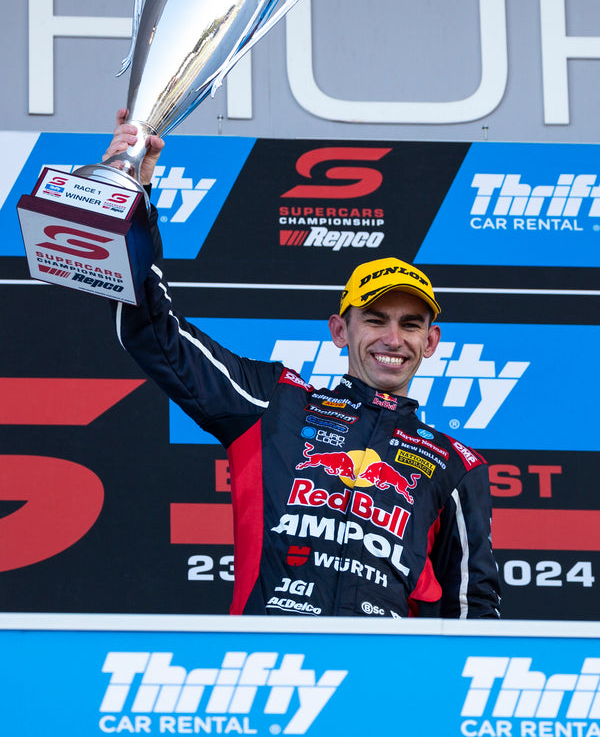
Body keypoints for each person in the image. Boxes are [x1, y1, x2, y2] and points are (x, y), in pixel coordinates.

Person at [104, 111, 501, 619]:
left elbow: (473, 611)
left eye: (411, 325)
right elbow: (157, 333)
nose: (392, 339)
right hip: (264, 670)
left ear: (430, 342)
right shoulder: (278, 402)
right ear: (340, 331)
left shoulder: (455, 464)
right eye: (375, 319)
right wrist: (132, 196)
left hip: (380, 684)